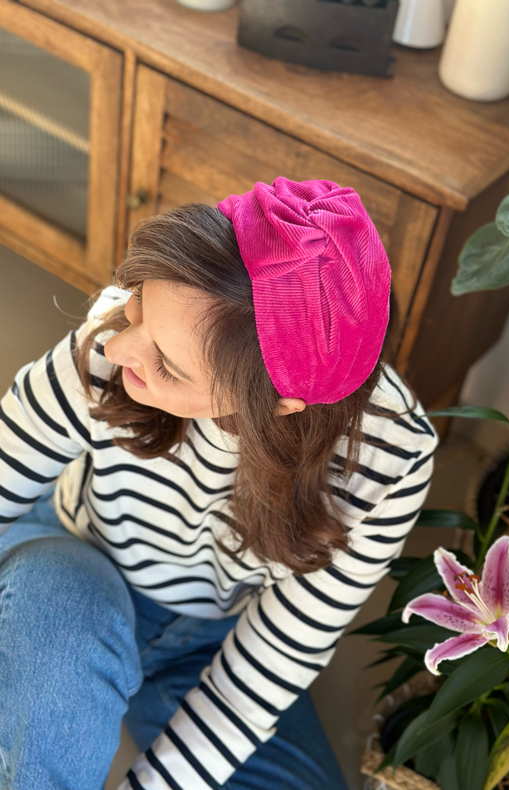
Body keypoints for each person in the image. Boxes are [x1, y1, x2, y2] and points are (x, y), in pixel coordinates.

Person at [0, 177, 438, 790]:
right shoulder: (106, 343)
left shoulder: (391, 458)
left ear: (281, 407)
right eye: (139, 308)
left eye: (169, 366)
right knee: (64, 624)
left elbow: (261, 676)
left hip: (208, 636)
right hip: (67, 564)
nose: (121, 346)